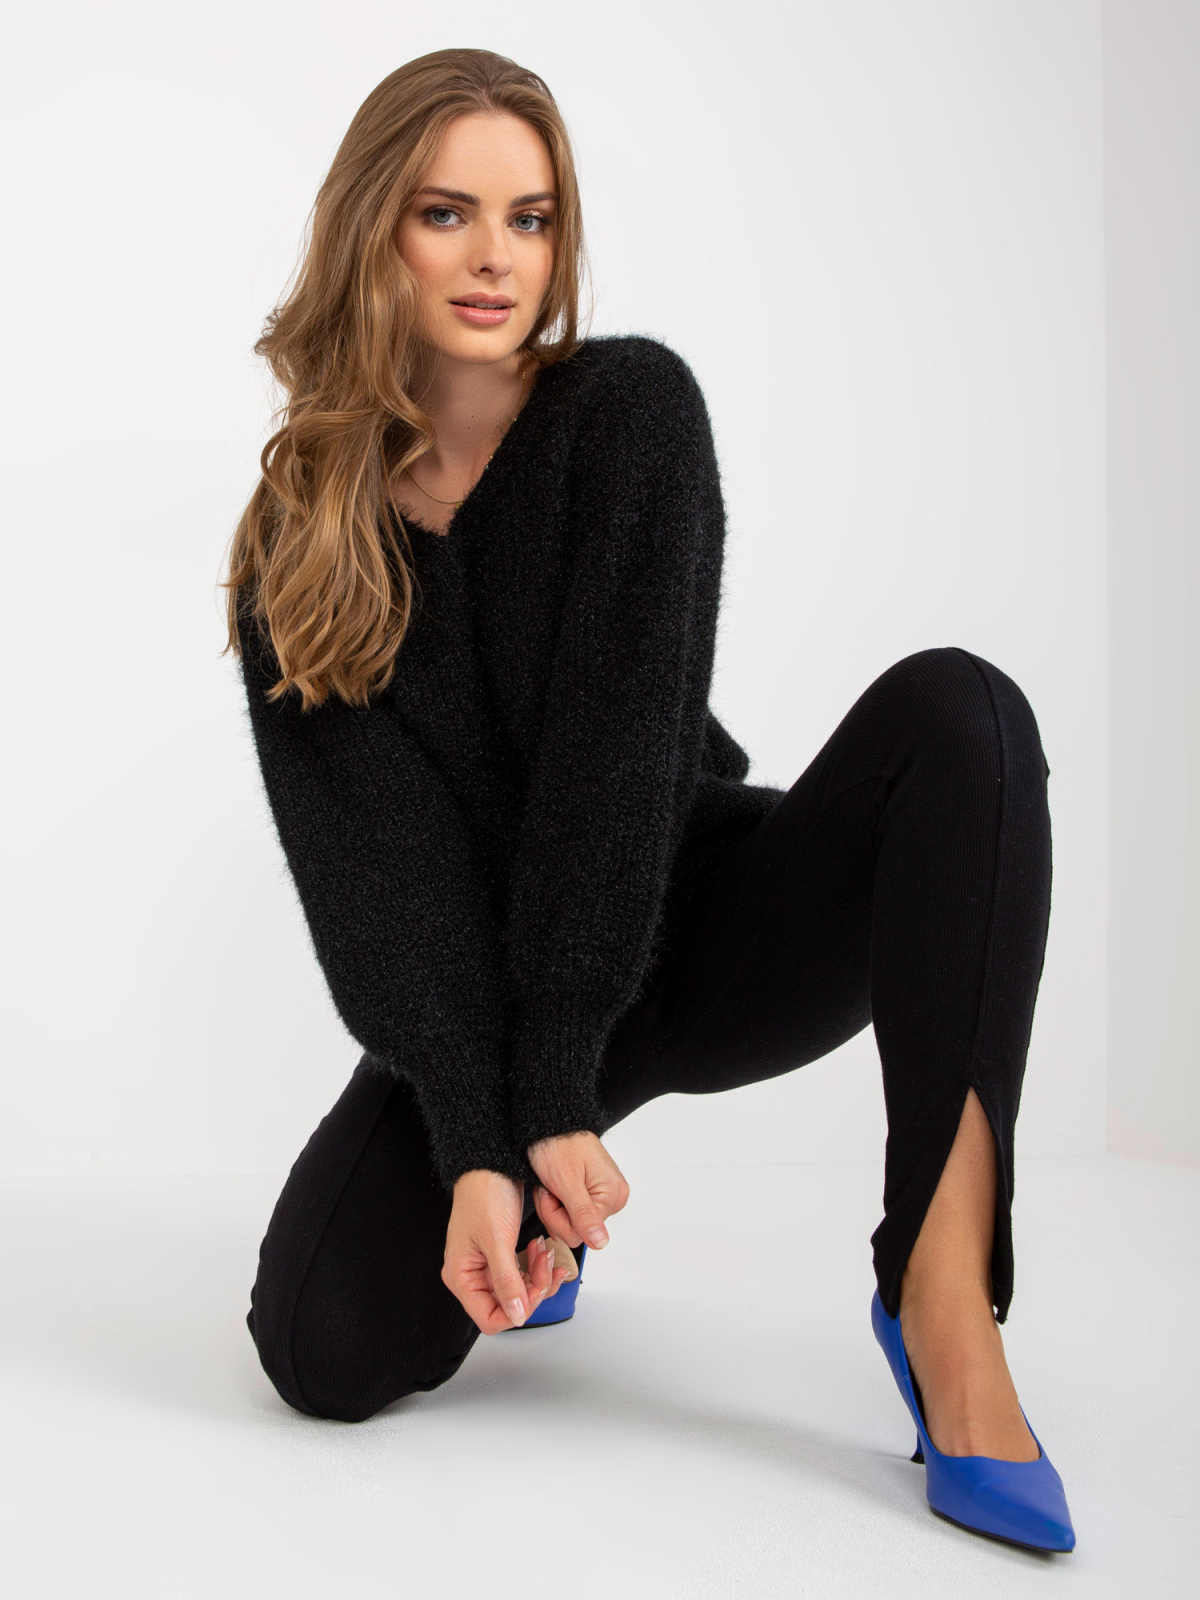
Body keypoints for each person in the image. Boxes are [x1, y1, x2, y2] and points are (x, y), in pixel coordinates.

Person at [221, 47, 1075, 1552]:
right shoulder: (303, 534)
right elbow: (378, 878)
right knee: (317, 1346)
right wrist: (482, 1139)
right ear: (373, 229)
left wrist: (556, 1092)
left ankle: (940, 1295)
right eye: (446, 213)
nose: (496, 257)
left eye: (532, 217)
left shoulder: (628, 414)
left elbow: (614, 768)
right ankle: (547, 1204)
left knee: (968, 717)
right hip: (489, 1000)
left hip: (695, 915)